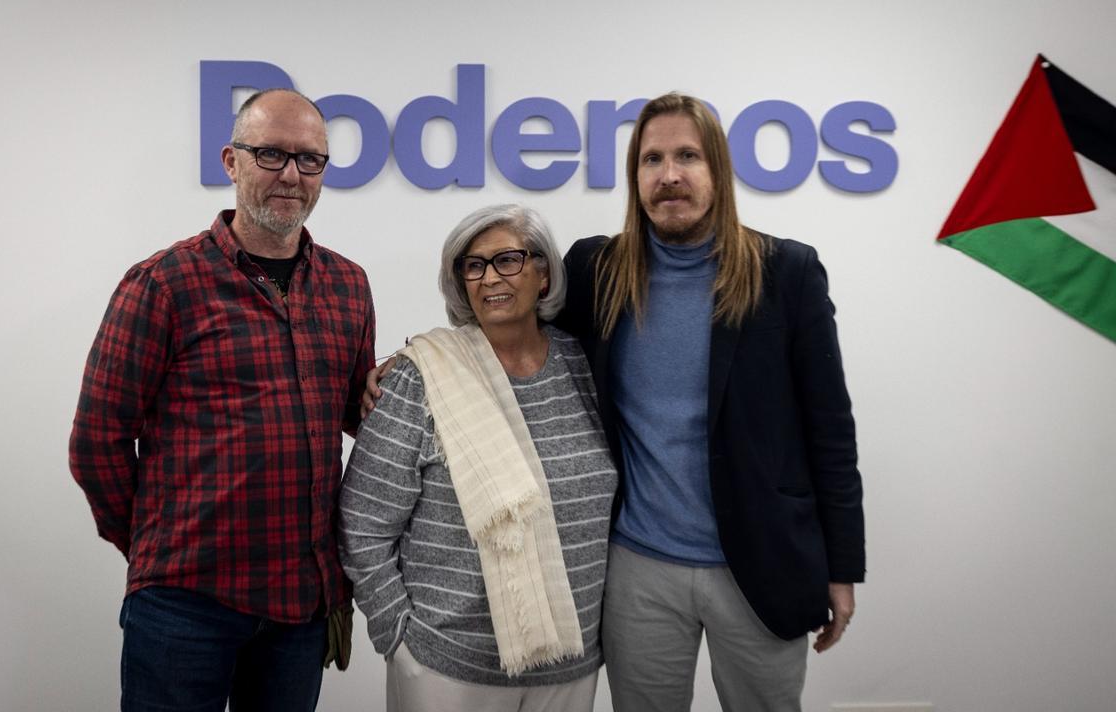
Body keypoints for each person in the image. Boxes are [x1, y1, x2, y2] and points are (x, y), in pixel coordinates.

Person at [551, 92, 866, 711]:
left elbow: (831, 430)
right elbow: (512, 341)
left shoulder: (787, 273)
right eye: (652, 159)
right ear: (634, 176)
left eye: (688, 156)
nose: (669, 175)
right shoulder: (596, 270)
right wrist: (416, 362)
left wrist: (842, 567)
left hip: (760, 564)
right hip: (637, 568)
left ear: (718, 169)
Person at [70, 88, 375, 712]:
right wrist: (159, 543)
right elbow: (96, 442)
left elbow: (349, 414)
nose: (291, 174)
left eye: (309, 159)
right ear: (230, 161)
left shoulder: (348, 284)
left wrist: (392, 389)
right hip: (186, 606)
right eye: (271, 154)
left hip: (301, 605)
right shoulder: (163, 283)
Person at [339, 204, 617, 712]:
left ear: (544, 272)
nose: (490, 277)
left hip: (572, 663)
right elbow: (363, 521)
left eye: (508, 260)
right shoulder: (420, 377)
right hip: (446, 667)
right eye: (474, 265)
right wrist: (399, 637)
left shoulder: (588, 366)